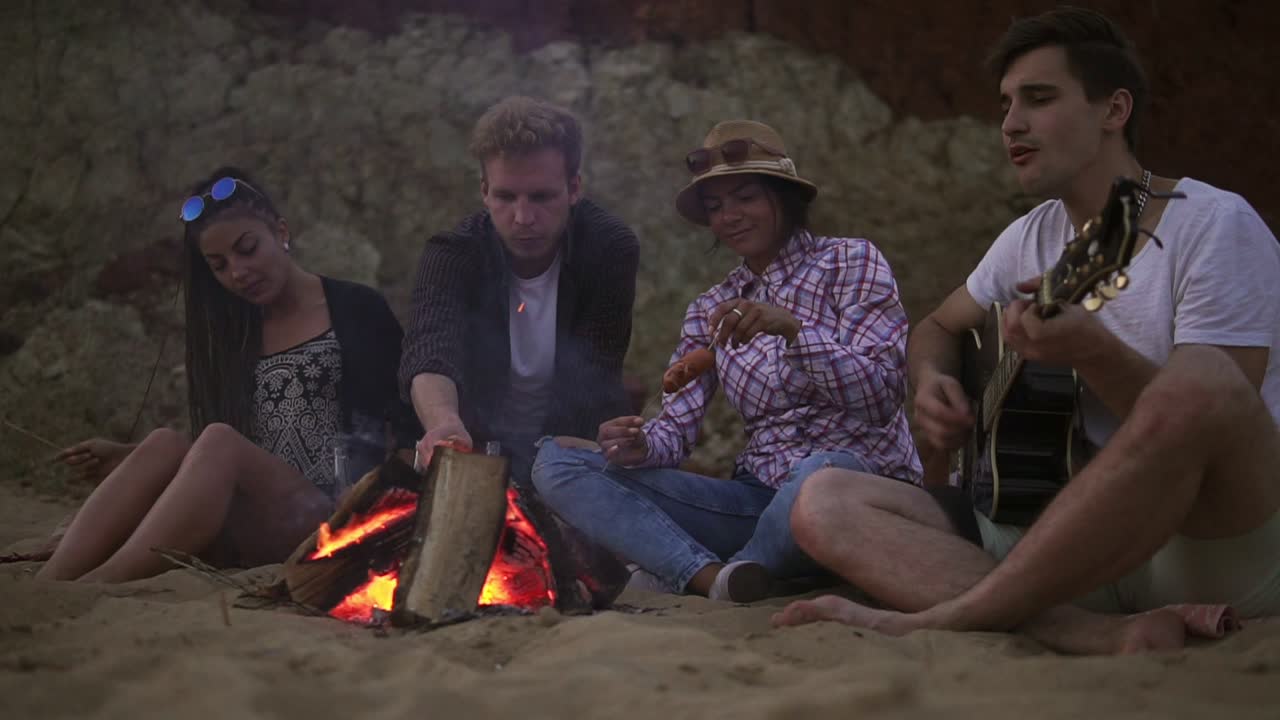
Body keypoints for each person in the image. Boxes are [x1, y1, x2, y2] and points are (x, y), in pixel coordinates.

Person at [771, 7, 1280, 654]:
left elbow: (1212, 422)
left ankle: (954, 616)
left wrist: (1095, 353)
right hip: (1065, 542)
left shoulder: (1213, 225)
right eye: (1007, 104)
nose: (1011, 123)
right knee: (821, 501)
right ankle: (1094, 633)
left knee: (1204, 378)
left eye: (1039, 99)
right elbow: (935, 326)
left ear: (1113, 110)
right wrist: (932, 382)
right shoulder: (1029, 237)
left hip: (1209, 540)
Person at [531, 120, 921, 603]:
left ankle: (724, 570)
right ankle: (716, 579)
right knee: (557, 461)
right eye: (715, 207)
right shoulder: (711, 307)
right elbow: (674, 431)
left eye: (746, 198)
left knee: (821, 471)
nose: (729, 216)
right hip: (757, 500)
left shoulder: (852, 262)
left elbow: (882, 397)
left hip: (853, 489)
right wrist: (638, 444)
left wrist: (794, 332)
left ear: (784, 198)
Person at [39, 167, 418, 582]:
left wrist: (381, 503)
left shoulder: (355, 308)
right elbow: (223, 454)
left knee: (219, 440)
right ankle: (54, 582)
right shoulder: (233, 334)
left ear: (280, 231)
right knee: (166, 441)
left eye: (248, 249)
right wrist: (127, 456)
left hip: (329, 517)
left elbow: (406, 428)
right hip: (249, 517)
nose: (237, 273)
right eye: (218, 265)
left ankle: (102, 583)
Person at [399, 96, 639, 482]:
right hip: (472, 449)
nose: (523, 218)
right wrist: (443, 422)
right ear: (484, 191)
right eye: (506, 197)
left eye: (542, 197)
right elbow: (430, 348)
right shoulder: (452, 253)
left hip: (572, 448)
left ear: (574, 188)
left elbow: (592, 372)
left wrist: (543, 468)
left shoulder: (608, 247)